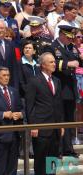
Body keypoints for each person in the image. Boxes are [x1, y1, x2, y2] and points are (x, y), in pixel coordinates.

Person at [44, 25, 82, 158]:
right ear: (61, 34)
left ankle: (68, 148)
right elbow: (51, 65)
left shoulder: (71, 47)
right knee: (59, 121)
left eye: (72, 37)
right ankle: (58, 149)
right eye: (68, 37)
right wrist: (67, 64)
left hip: (70, 88)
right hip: (59, 88)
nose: (70, 39)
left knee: (69, 121)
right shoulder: (52, 47)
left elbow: (78, 62)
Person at [25, 52, 64, 175]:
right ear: (43, 65)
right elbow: (29, 106)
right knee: (41, 162)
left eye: (54, 61)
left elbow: (58, 105)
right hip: (41, 127)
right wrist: (33, 125)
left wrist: (61, 124)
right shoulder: (34, 81)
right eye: (51, 62)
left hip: (55, 128)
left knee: (52, 161)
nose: (54, 64)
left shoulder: (57, 81)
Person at [0, 66, 24, 175]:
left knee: (12, 169)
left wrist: (20, 114)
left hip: (14, 136)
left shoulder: (14, 91)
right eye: (4, 75)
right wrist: (2, 114)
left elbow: (21, 108)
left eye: (8, 75)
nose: (7, 78)